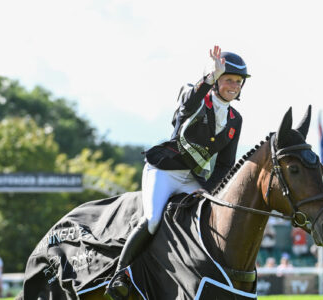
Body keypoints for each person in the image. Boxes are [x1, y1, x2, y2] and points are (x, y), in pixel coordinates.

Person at [106, 45, 250, 300]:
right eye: (229, 79)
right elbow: (188, 104)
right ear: (217, 80)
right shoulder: (194, 96)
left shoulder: (235, 120)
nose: (234, 85)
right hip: (164, 170)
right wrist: (208, 78)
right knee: (152, 220)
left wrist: (207, 190)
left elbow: (226, 164)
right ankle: (120, 274)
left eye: (238, 82)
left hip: (194, 179)